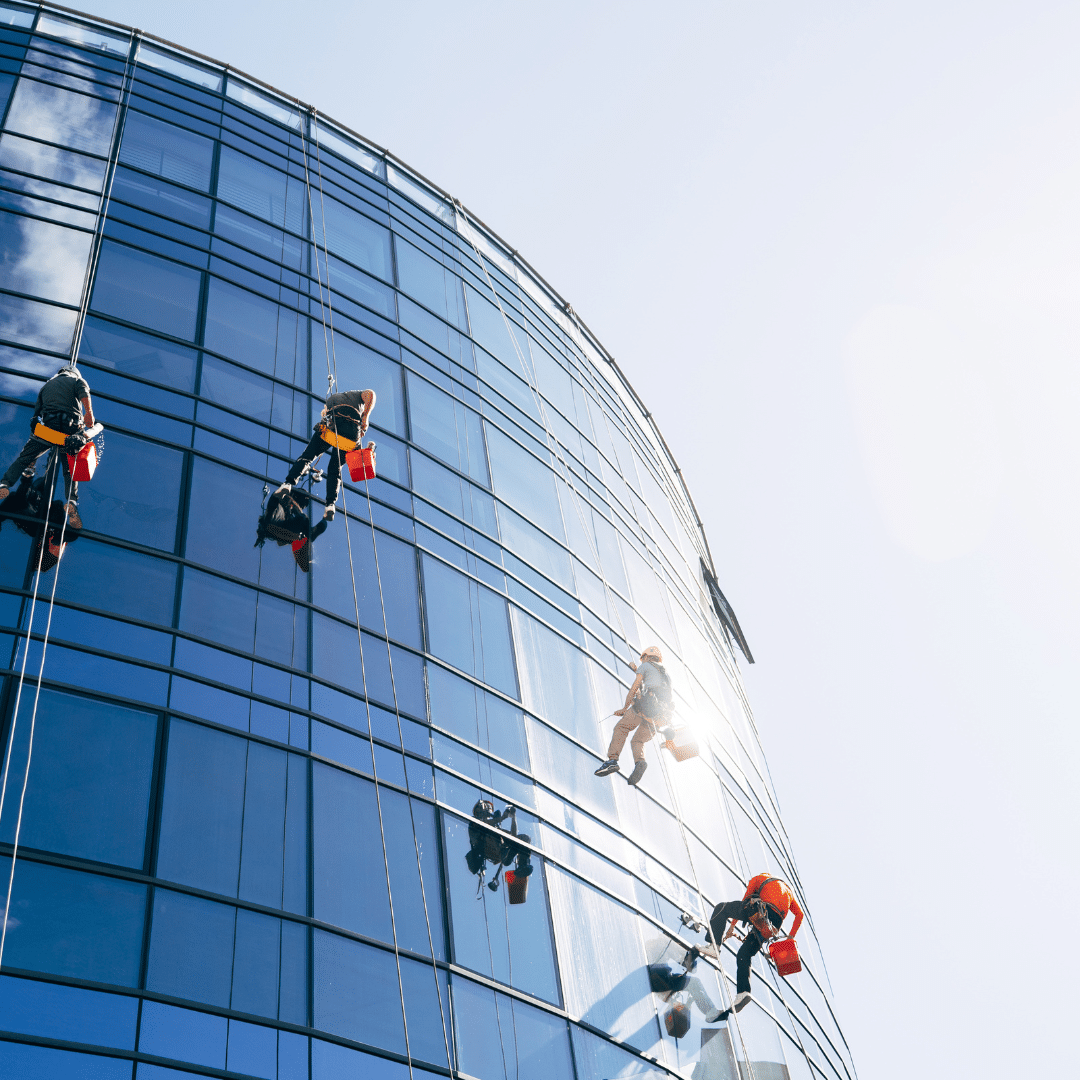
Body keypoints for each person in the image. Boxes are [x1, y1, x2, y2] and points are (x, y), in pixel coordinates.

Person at [0, 364, 96, 529]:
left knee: (24, 458)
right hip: (70, 430)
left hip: (48, 428)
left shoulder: (46, 386)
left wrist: (36, 435)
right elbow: (84, 394)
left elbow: (36, 415)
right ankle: (72, 500)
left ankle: (5, 484)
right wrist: (89, 413)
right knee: (69, 469)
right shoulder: (77, 380)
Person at [708, 873, 804, 1018]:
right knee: (744, 954)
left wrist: (731, 927)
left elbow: (745, 899)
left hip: (761, 910)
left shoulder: (758, 878)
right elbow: (800, 915)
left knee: (722, 908)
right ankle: (743, 992)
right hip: (773, 925)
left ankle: (713, 946)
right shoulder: (788, 892)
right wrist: (790, 938)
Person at [275, 388, 375, 526]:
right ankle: (330, 505)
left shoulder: (338, 399)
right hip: (350, 434)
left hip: (331, 426)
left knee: (308, 457)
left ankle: (288, 483)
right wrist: (365, 417)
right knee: (335, 469)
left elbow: (369, 394)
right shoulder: (357, 397)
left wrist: (363, 418)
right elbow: (370, 394)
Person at [594, 645, 674, 786]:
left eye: (643, 658)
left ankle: (612, 761)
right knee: (638, 741)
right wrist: (635, 669)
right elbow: (651, 685)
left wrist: (624, 708)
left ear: (647, 657)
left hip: (644, 709)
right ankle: (640, 762)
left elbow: (635, 688)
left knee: (621, 728)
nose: (642, 661)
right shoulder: (666, 675)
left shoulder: (646, 666)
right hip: (659, 717)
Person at [0, 467, 83, 572]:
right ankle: (29, 479)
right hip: (37, 512)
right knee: (24, 500)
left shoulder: (39, 531)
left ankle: (28, 478)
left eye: (57, 552)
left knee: (21, 501)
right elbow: (73, 534)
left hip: (31, 514)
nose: (61, 549)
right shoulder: (56, 529)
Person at [465, 799, 533, 894]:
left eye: (489, 808)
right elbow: (484, 824)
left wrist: (513, 817)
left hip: (502, 853)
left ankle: (522, 865)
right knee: (493, 833)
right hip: (489, 851)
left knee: (525, 838)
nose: (489, 810)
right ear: (479, 811)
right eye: (486, 807)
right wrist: (502, 818)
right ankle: (508, 859)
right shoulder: (474, 822)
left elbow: (513, 837)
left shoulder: (495, 828)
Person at [255, 486, 316, 571]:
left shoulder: (287, 515)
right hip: (273, 520)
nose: (302, 507)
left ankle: (305, 549)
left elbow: (280, 542)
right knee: (304, 519)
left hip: (272, 527)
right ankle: (307, 544)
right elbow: (289, 499)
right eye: (302, 505)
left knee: (300, 532)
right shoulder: (286, 500)